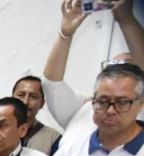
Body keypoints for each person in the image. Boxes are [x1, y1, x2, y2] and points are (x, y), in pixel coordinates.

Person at [42, 0, 144, 144]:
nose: (118, 74)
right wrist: (65, 34)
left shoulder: (139, 109)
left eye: (127, 67)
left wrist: (127, 20)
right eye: (112, 66)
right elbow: (51, 83)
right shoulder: (83, 106)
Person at [13, 75, 63, 154]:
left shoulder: (54, 139)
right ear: (11, 98)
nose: (25, 102)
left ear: (42, 103)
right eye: (21, 95)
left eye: (33, 97)